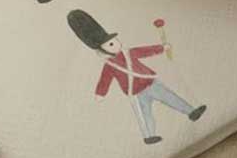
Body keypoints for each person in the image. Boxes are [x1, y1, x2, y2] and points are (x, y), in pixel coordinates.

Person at [67, 9, 206, 144]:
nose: (116, 44)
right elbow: (105, 79)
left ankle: (191, 111)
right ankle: (149, 136)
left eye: (115, 41)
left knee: (171, 97)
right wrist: (101, 93)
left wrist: (162, 48)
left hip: (151, 83)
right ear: (103, 49)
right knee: (144, 114)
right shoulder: (110, 65)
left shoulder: (129, 53)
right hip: (135, 93)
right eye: (110, 44)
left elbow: (145, 51)